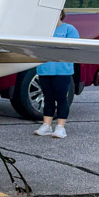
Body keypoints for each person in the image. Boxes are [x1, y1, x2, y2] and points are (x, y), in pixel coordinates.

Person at [33, 10, 79, 138]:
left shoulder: (69, 29)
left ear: (60, 15)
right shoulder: (42, 31)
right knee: (48, 98)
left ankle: (60, 127)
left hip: (62, 71)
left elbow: (73, 48)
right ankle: (46, 126)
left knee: (61, 98)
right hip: (44, 70)